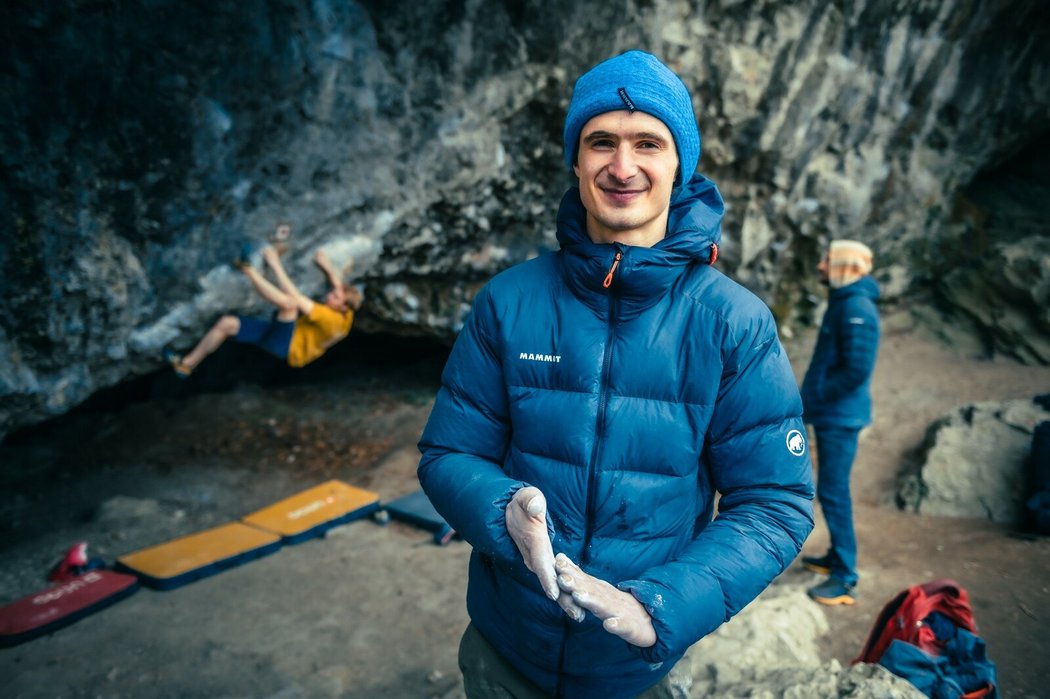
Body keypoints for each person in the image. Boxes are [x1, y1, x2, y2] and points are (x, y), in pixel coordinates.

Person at [417, 50, 815, 699]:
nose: (622, 166)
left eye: (648, 143)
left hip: (636, 668)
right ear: (576, 160)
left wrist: (656, 609)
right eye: (601, 141)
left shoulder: (731, 322)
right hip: (503, 649)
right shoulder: (509, 301)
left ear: (679, 164)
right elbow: (448, 451)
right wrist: (500, 509)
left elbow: (775, 503)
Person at [799, 240, 881, 606]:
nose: (820, 266)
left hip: (840, 417)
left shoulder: (856, 308)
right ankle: (837, 557)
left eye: (827, 260)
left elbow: (856, 371)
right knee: (832, 489)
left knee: (833, 491)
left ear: (845, 265)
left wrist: (815, 398)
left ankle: (845, 575)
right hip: (833, 414)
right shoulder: (845, 302)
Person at [165, 243, 362, 377]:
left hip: (285, 346)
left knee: (289, 306)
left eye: (334, 298)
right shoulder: (347, 313)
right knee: (227, 323)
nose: (329, 295)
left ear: (342, 307)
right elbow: (340, 288)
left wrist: (274, 262)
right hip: (279, 334)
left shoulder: (329, 318)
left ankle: (247, 269)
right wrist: (327, 267)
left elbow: (294, 297)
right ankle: (186, 365)